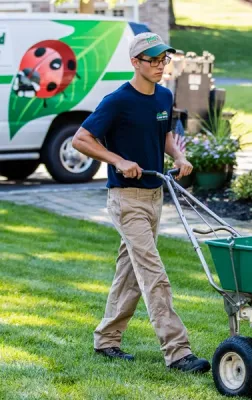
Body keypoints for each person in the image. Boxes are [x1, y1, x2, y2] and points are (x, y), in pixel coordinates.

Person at [72, 32, 210, 374]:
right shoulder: (118, 101)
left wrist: (179, 156)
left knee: (131, 273)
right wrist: (118, 160)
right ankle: (178, 351)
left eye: (164, 59)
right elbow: (81, 138)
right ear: (135, 62)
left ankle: (106, 340)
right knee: (153, 273)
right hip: (125, 199)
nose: (161, 66)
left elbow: (163, 134)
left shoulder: (163, 96)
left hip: (154, 196)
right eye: (154, 60)